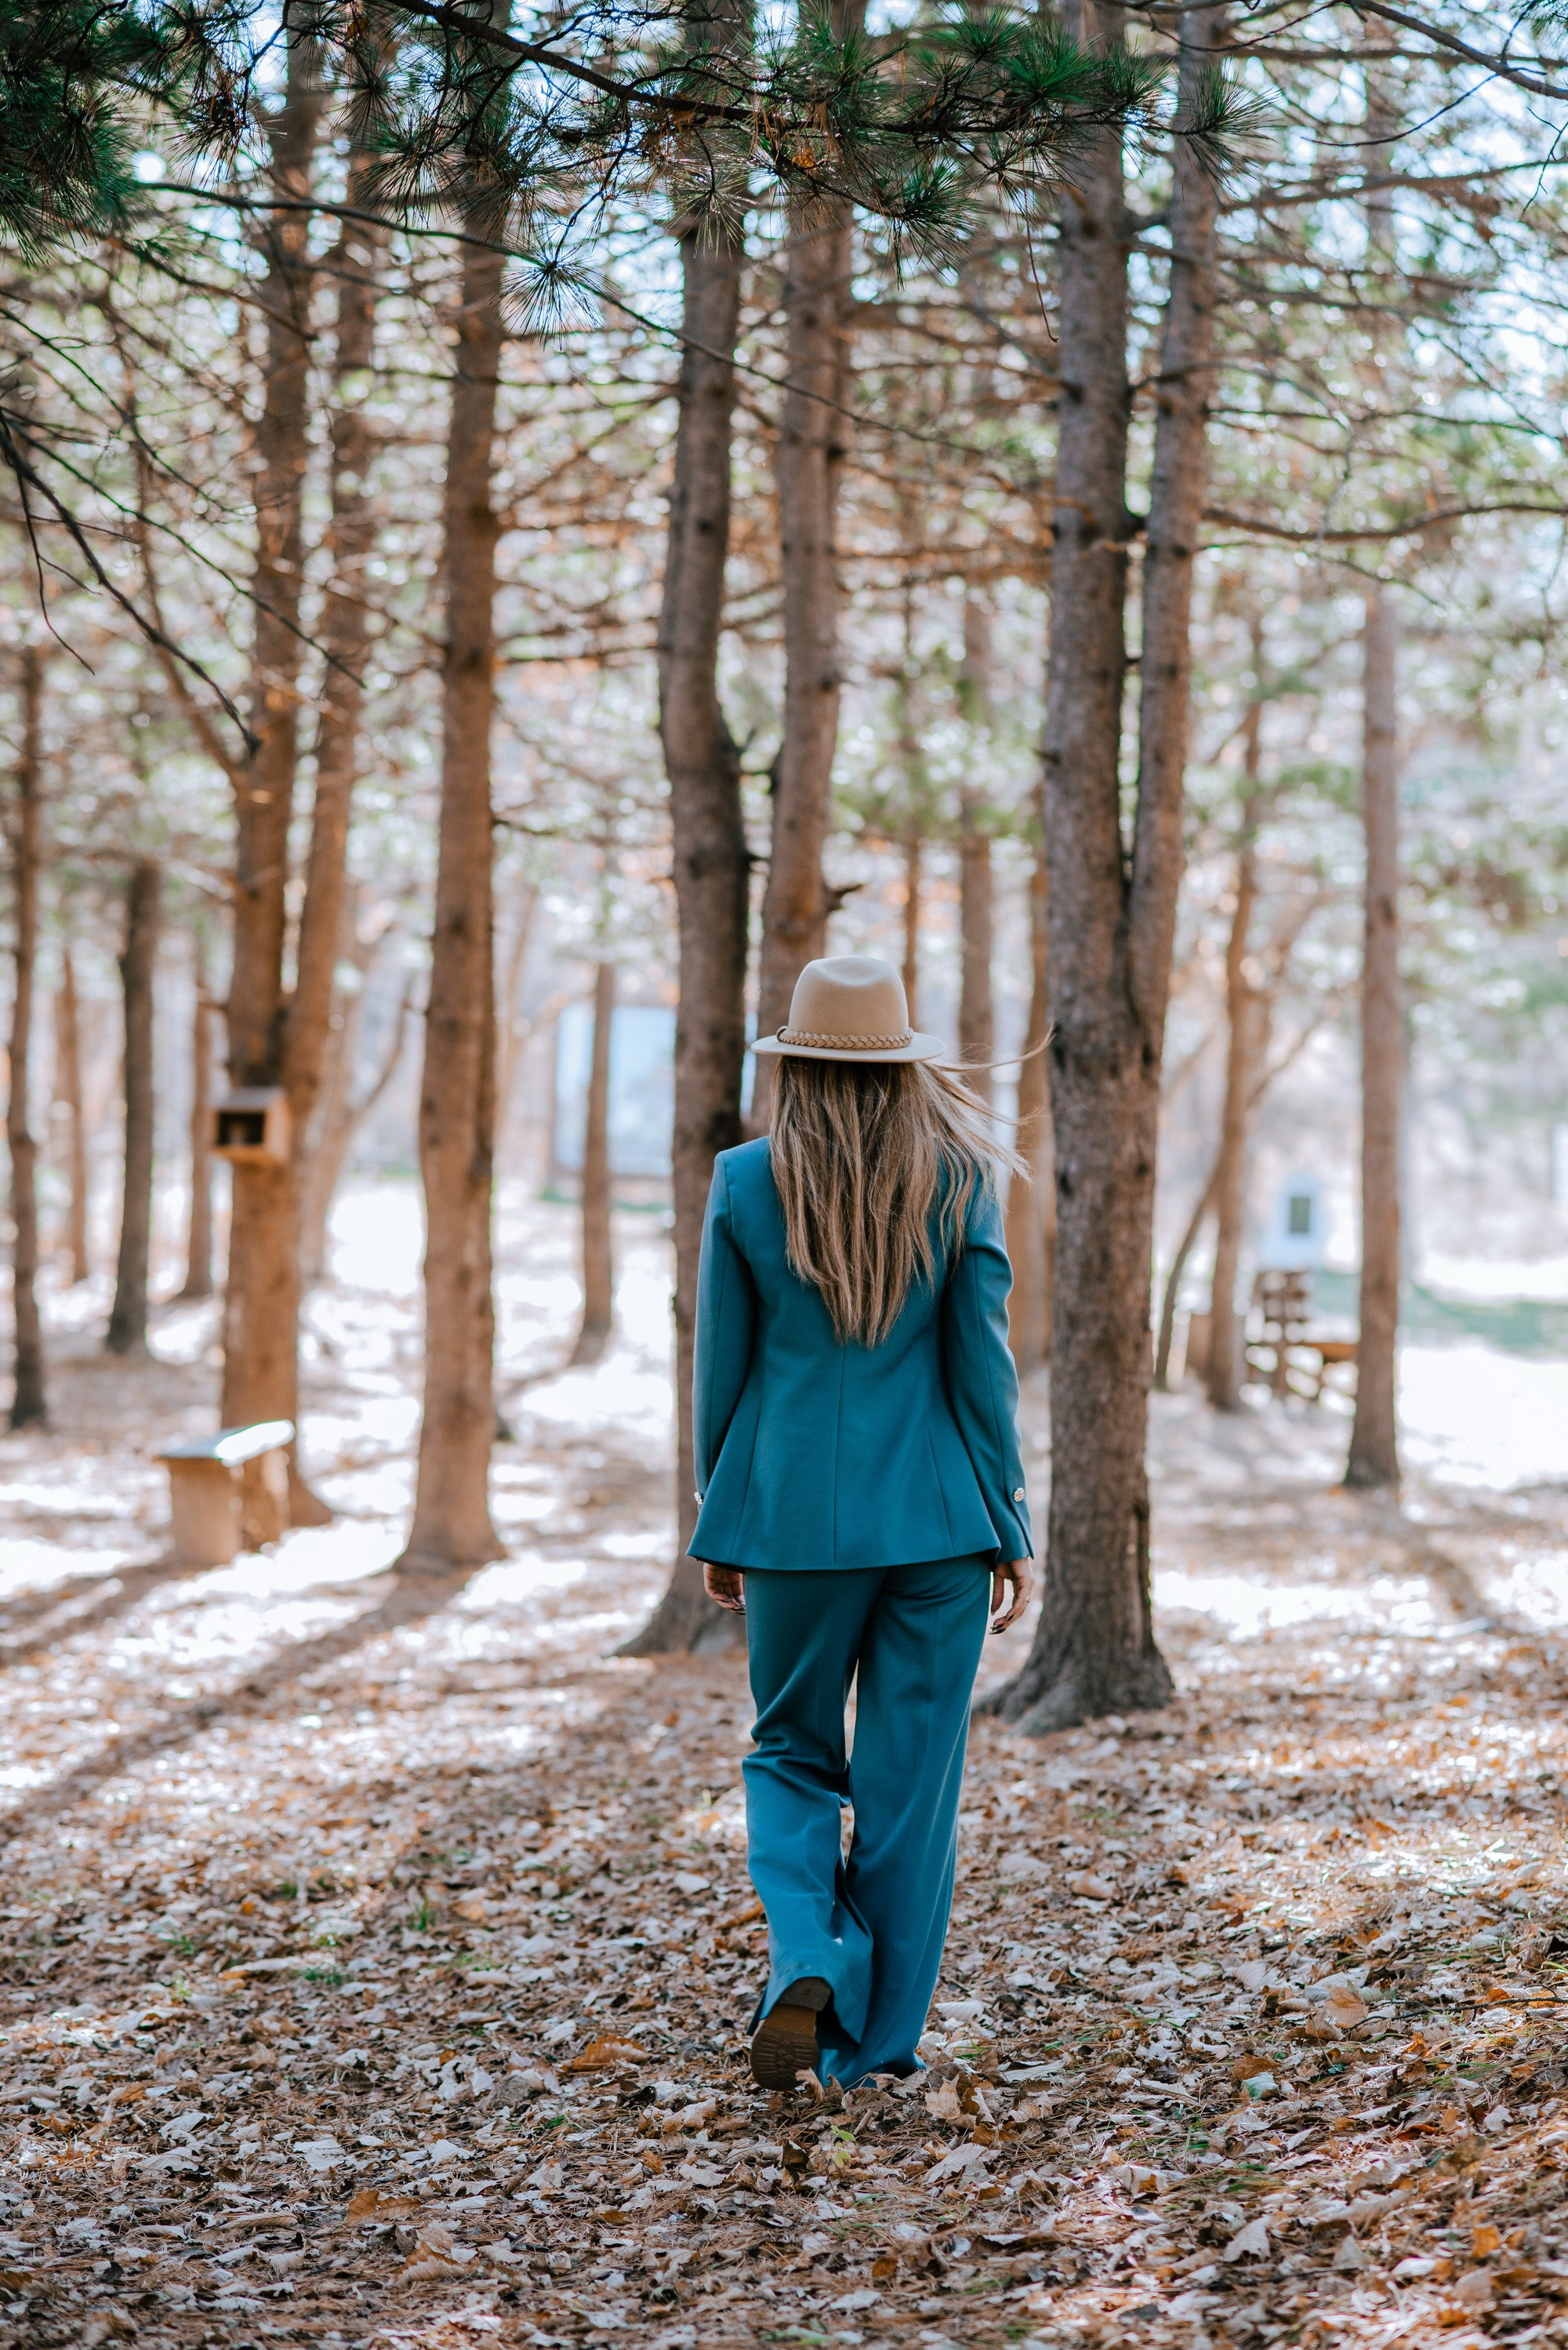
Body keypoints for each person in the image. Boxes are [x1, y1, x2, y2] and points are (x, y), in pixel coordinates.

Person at [689, 953, 1036, 2090]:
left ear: (792, 1062)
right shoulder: (959, 1179)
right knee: (910, 1792)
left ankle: (810, 1956)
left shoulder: (744, 1182)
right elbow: (983, 1370)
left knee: (790, 1751)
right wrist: (1009, 1520)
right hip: (937, 1529)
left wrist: (721, 1514)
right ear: (901, 1066)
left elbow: (722, 1372)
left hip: (788, 1525)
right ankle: (874, 2051)